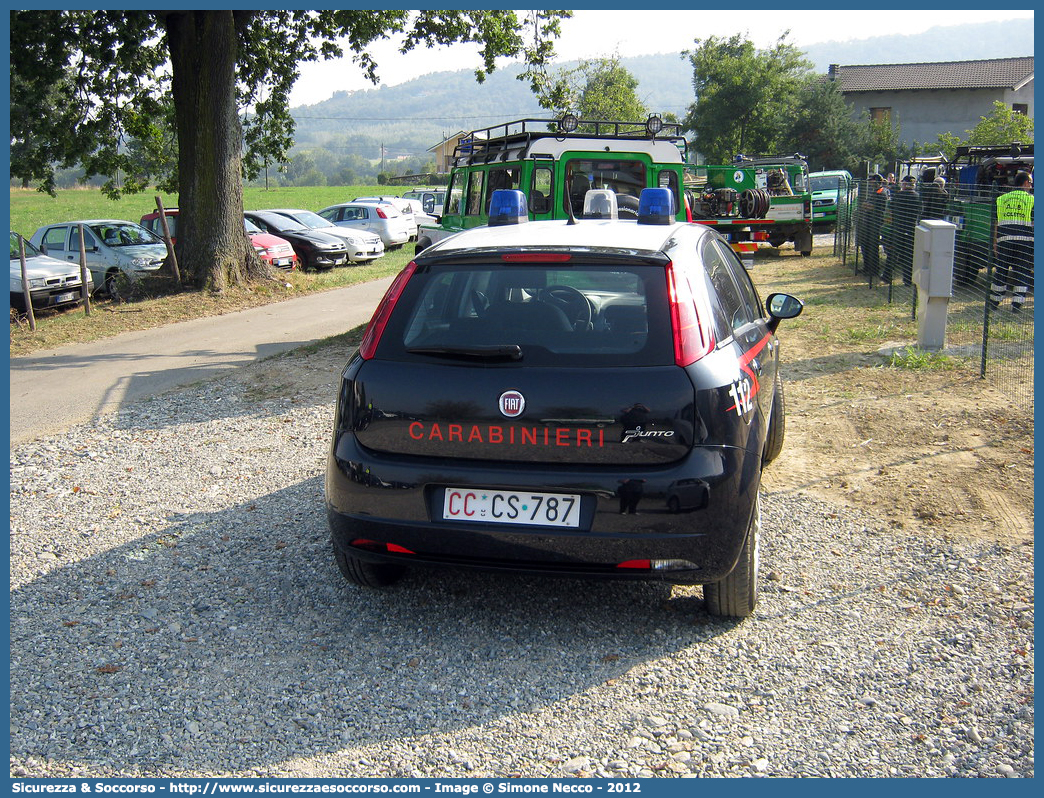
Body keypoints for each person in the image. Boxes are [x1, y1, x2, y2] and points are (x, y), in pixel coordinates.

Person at [992, 170, 1034, 313]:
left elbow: (996, 222)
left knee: (1001, 270)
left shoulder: (1001, 199)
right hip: (1024, 241)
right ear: (1026, 183)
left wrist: (995, 242)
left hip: (1004, 240)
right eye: (1031, 183)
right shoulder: (1032, 199)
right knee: (1022, 271)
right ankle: (1016, 305)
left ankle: (995, 300)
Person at [884, 175, 922, 285]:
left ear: (904, 184)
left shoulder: (898, 196)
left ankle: (887, 276)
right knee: (909, 256)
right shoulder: (917, 196)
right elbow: (920, 211)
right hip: (911, 228)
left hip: (898, 227)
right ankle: (908, 280)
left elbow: (890, 211)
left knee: (893, 253)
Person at [858, 174, 890, 276]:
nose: (870, 183)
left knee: (872, 246)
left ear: (876, 181)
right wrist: (867, 205)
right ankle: (867, 267)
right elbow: (865, 204)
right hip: (868, 222)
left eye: (871, 181)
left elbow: (873, 206)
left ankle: (874, 269)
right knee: (865, 245)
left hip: (875, 222)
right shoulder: (873, 192)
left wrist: (868, 206)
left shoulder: (882, 192)